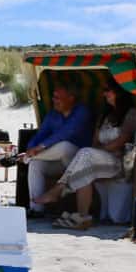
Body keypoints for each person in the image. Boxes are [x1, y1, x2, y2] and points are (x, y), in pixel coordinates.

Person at [34, 82, 136, 229]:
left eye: (108, 90)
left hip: (119, 162)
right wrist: (98, 152)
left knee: (86, 154)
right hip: (101, 160)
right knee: (86, 162)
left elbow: (121, 141)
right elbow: (95, 141)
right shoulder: (105, 115)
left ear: (119, 92)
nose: (104, 94)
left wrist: (99, 151)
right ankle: (82, 216)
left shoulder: (132, 113)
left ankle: (59, 189)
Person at [18, 85, 94, 216]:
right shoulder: (53, 115)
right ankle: (36, 208)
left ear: (71, 98)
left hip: (81, 161)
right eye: (53, 97)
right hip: (61, 162)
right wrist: (31, 148)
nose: (54, 100)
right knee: (36, 164)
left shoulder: (82, 111)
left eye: (58, 97)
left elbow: (65, 133)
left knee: (64, 146)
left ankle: (27, 158)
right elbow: (39, 136)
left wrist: (34, 152)